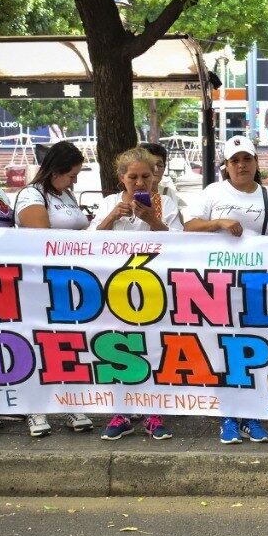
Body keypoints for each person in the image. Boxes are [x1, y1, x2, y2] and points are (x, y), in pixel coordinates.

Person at [185, 135, 268, 445]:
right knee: (222, 348)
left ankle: (252, 415)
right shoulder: (213, 192)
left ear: (256, 162)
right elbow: (188, 226)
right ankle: (228, 416)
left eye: (247, 159)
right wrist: (218, 222)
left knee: (256, 348)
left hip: (258, 285)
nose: (241, 165)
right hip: (217, 284)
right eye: (235, 161)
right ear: (226, 166)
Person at [92, 147, 182, 443]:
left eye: (146, 176)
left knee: (153, 347)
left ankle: (153, 413)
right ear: (122, 178)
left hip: (153, 287)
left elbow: (183, 245)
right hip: (115, 288)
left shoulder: (165, 203)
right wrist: (111, 218)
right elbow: (85, 244)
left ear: (155, 176)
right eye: (133, 177)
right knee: (118, 347)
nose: (141, 183)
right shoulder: (109, 203)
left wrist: (154, 220)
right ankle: (121, 412)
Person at [14, 140, 95, 438]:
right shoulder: (31, 195)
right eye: (72, 175)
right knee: (38, 342)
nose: (75, 181)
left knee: (67, 342)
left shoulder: (66, 194)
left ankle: (70, 401)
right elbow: (42, 238)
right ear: (56, 171)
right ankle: (35, 408)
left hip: (69, 279)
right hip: (38, 281)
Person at [139, 141, 185, 216]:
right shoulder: (128, 195)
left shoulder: (167, 193)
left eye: (159, 165)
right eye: (151, 165)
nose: (156, 169)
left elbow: (182, 219)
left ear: (164, 168)